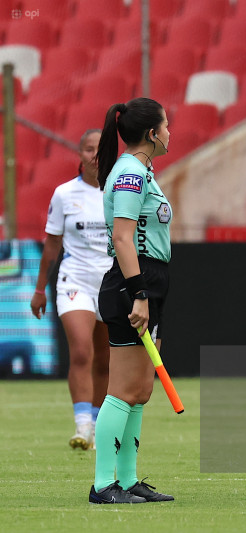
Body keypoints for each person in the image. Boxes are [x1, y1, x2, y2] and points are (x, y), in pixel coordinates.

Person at [89, 97, 175, 504]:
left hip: (150, 283)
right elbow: (123, 237)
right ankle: (103, 484)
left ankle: (128, 479)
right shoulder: (129, 173)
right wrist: (139, 293)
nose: (170, 132)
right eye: (167, 125)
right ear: (152, 134)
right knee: (122, 390)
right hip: (131, 285)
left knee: (141, 390)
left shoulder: (143, 171)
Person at [30, 129, 111, 451]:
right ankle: (82, 425)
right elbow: (52, 245)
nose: (94, 155)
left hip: (111, 284)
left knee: (104, 360)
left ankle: (96, 426)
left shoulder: (119, 193)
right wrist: (39, 290)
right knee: (81, 351)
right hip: (75, 280)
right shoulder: (64, 193)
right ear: (80, 154)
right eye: (88, 149)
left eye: (99, 149)